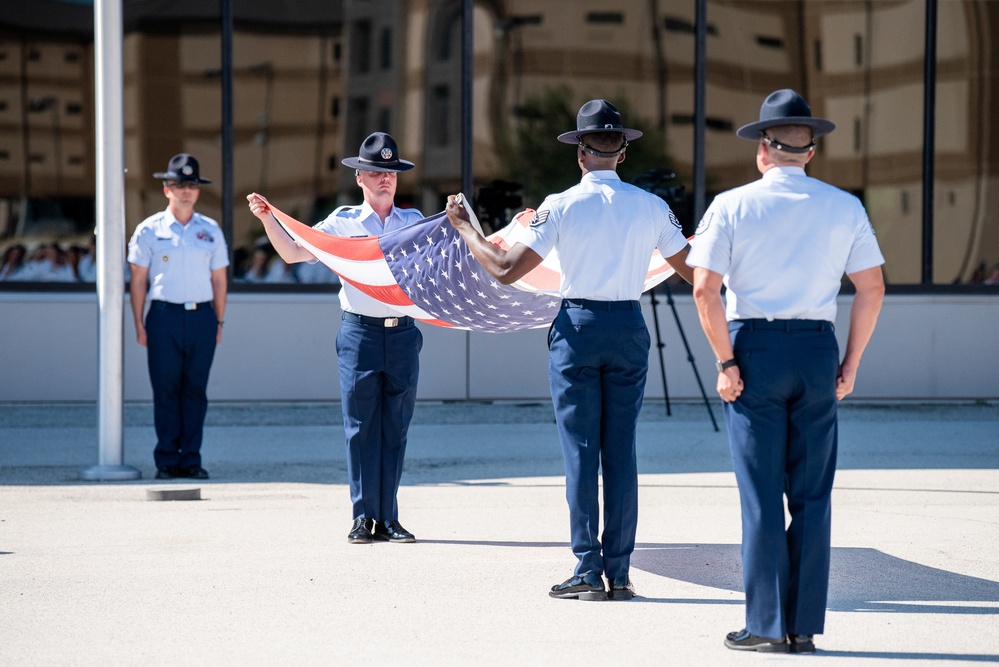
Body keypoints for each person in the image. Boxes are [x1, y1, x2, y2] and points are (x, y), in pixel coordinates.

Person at [444, 99, 694, 600]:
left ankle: (586, 569)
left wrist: (466, 228)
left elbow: (504, 270)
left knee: (581, 451)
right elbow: (695, 273)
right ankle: (620, 572)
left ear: (580, 153)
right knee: (620, 451)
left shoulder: (559, 204)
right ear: (622, 151)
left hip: (578, 326)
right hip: (627, 324)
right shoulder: (651, 206)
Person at [686, 89, 886, 653]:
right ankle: (801, 628)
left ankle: (766, 625)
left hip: (754, 347)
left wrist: (726, 362)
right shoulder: (845, 206)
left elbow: (704, 289)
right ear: (810, 152)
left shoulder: (731, 205)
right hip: (817, 348)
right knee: (813, 494)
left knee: (760, 493)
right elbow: (872, 289)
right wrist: (850, 363)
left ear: (762, 151)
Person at [248, 132, 423, 544]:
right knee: (360, 427)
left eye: (391, 173)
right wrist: (268, 219)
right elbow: (293, 254)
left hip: (402, 334)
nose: (386, 180)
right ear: (360, 177)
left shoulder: (413, 223)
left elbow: (454, 259)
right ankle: (363, 517)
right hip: (359, 333)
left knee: (395, 428)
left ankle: (390, 518)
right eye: (377, 172)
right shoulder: (343, 222)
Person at [127, 153, 229, 480]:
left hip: (201, 317)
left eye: (191, 185)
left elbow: (219, 280)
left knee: (195, 390)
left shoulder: (210, 231)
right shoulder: (148, 231)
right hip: (163, 317)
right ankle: (167, 460)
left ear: (198, 191)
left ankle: (192, 460)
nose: (185, 190)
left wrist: (219, 321)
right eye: (178, 184)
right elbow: (138, 280)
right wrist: (140, 324)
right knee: (166, 389)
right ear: (166, 189)